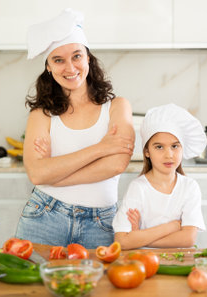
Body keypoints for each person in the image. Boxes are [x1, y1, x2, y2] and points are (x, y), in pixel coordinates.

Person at [15, 8, 135, 249]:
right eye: (58, 60)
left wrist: (55, 177)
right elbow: (37, 175)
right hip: (44, 216)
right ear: (48, 66)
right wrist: (101, 148)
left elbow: (116, 165)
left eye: (77, 56)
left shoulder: (117, 107)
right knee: (33, 286)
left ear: (88, 57)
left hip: (101, 224)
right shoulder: (41, 114)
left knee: (99, 287)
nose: (70, 68)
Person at [112, 104, 207, 250]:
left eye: (175, 146)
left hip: (180, 263)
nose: (169, 154)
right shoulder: (138, 188)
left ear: (182, 148)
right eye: (159, 147)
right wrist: (171, 227)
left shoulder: (189, 187)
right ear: (147, 151)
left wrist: (139, 237)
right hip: (144, 262)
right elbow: (122, 241)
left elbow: (188, 239)